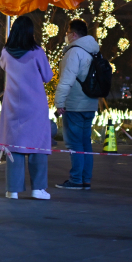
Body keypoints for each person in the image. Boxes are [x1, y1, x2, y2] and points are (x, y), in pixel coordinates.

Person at [0, 16, 55, 200]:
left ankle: (12, 190)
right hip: (35, 105)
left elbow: (3, 67)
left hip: (12, 104)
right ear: (31, 32)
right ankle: (38, 189)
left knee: (14, 146)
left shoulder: (6, 52)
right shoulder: (36, 52)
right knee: (38, 145)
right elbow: (47, 76)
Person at [54, 19, 100, 190]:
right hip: (90, 103)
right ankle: (85, 179)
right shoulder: (94, 51)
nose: (66, 36)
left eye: (67, 33)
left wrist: (59, 102)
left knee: (74, 144)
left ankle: (75, 180)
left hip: (74, 104)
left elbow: (66, 81)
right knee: (85, 143)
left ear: (73, 34)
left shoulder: (74, 52)